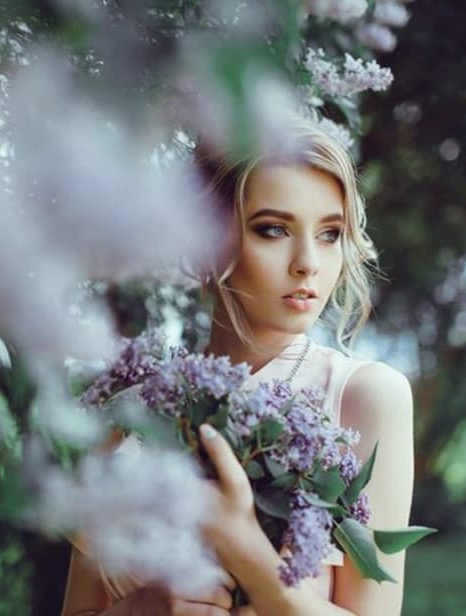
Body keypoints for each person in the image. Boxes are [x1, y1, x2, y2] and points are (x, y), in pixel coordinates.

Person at [61, 118, 415, 615]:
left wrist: (246, 549)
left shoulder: (365, 396)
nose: (308, 262)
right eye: (273, 229)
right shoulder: (130, 414)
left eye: (330, 233)